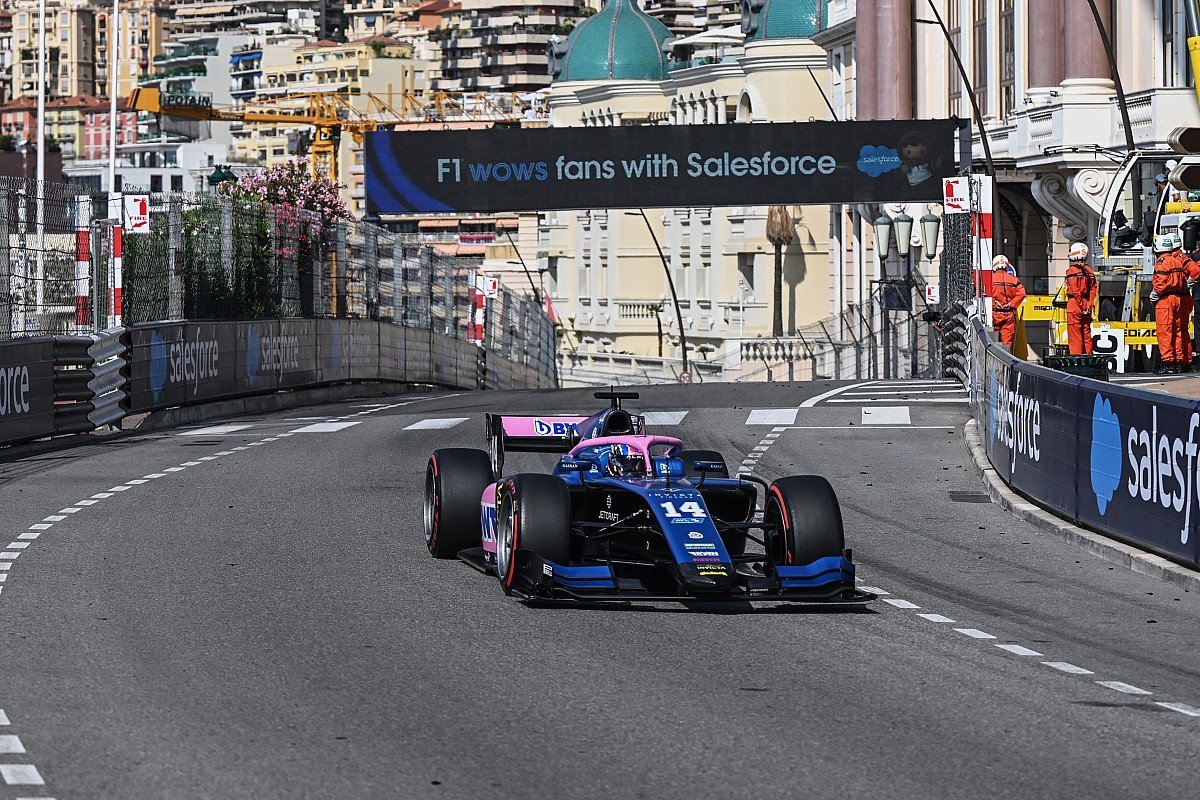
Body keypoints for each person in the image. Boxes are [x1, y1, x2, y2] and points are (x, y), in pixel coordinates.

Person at [1150, 231, 1198, 373]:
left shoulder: (1163, 262)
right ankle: (1181, 361)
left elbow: (1160, 282)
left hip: (1166, 299)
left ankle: (1169, 363)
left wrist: (1155, 293)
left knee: (1165, 331)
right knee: (1179, 331)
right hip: (1179, 298)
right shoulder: (1178, 260)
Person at [1064, 243, 1098, 355]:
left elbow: (1075, 290)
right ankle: (1089, 359)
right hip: (1087, 302)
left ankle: (1077, 362)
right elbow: (1093, 289)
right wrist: (1089, 304)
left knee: (1075, 336)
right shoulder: (1089, 270)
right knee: (1086, 333)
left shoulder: (1072, 270)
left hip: (1075, 304)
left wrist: (1081, 304)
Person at [989, 255, 1026, 350]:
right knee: (1007, 343)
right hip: (1009, 314)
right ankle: (1006, 363)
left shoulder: (990, 280)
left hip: (994, 314)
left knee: (993, 341)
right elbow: (1022, 294)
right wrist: (1011, 304)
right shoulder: (1014, 280)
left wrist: (995, 303)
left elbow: (986, 295)